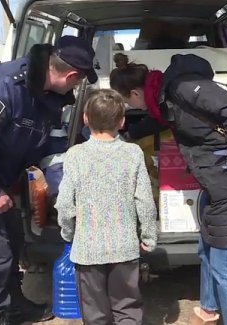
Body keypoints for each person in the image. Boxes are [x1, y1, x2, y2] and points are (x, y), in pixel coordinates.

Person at [109, 54, 227, 325]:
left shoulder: (182, 87)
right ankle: (208, 310)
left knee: (226, 265)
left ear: (135, 92)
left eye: (129, 102)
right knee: (206, 249)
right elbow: (162, 120)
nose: (132, 107)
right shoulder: (164, 98)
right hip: (214, 184)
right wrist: (128, 135)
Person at [0, 36, 98, 325]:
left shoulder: (53, 97)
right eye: (77, 83)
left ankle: (15, 305)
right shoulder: (3, 86)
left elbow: (54, 148)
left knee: (12, 240)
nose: (75, 88)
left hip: (4, 173)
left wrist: (64, 194)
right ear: (72, 75)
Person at [54, 89, 158, 325]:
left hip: (87, 249)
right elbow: (144, 200)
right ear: (122, 122)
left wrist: (69, 233)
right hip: (125, 247)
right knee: (128, 308)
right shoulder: (132, 153)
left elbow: (64, 203)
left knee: (95, 313)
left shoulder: (75, 155)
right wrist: (149, 236)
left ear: (85, 118)